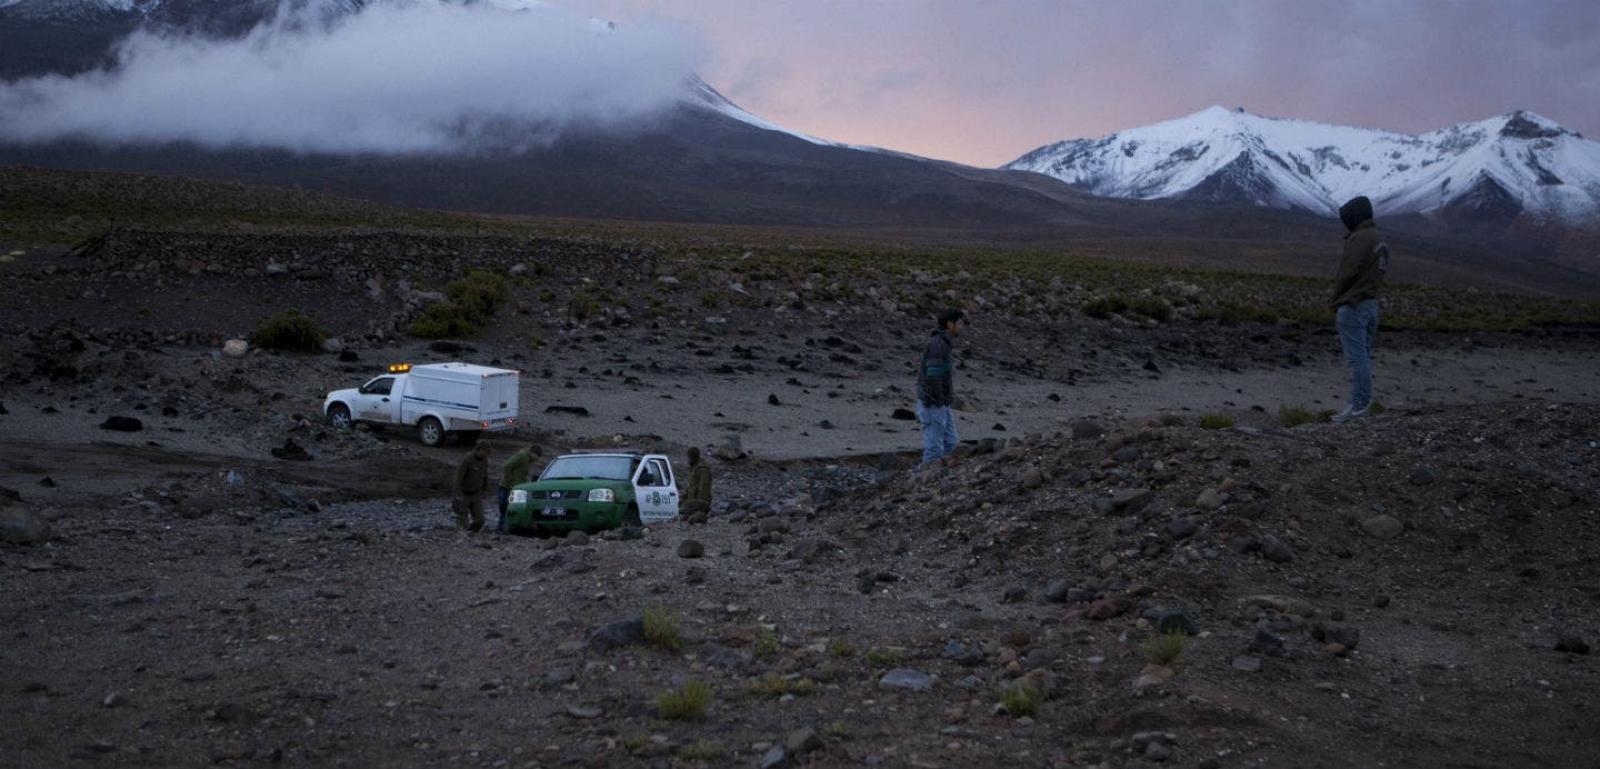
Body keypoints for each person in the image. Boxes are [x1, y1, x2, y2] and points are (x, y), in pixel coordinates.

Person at [1329, 195, 1390, 422]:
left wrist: (1336, 300)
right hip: (1371, 304)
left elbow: (1347, 273)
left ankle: (1358, 406)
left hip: (1353, 304)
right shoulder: (1378, 238)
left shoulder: (1359, 239)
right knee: (1363, 356)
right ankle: (1361, 404)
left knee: (1357, 359)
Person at [916, 308, 964, 466]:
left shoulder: (943, 343)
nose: (961, 327)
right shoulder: (937, 344)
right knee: (934, 448)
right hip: (933, 402)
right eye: (959, 323)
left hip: (941, 402)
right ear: (950, 324)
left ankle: (938, 473)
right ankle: (924, 475)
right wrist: (939, 399)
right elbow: (933, 375)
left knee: (951, 442)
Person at [496, 443, 541, 532]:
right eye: (537, 456)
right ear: (533, 453)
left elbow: (521, 475)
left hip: (515, 488)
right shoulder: (522, 456)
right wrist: (509, 479)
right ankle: (500, 528)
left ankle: (503, 528)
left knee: (508, 508)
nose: (537, 459)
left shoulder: (528, 460)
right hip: (507, 486)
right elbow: (507, 465)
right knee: (504, 507)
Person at [453, 444, 491, 532]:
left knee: (480, 520)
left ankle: (471, 533)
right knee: (462, 519)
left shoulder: (484, 461)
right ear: (480, 449)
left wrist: (485, 489)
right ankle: (462, 535)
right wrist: (457, 493)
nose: (487, 454)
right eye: (486, 451)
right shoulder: (467, 459)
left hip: (476, 494)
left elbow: (485, 475)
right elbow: (458, 477)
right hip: (464, 493)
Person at [682, 446, 713, 516]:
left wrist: (700, 505)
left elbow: (704, 489)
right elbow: (691, 485)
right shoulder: (694, 468)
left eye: (689, 458)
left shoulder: (703, 470)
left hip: (699, 504)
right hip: (692, 502)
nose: (688, 460)